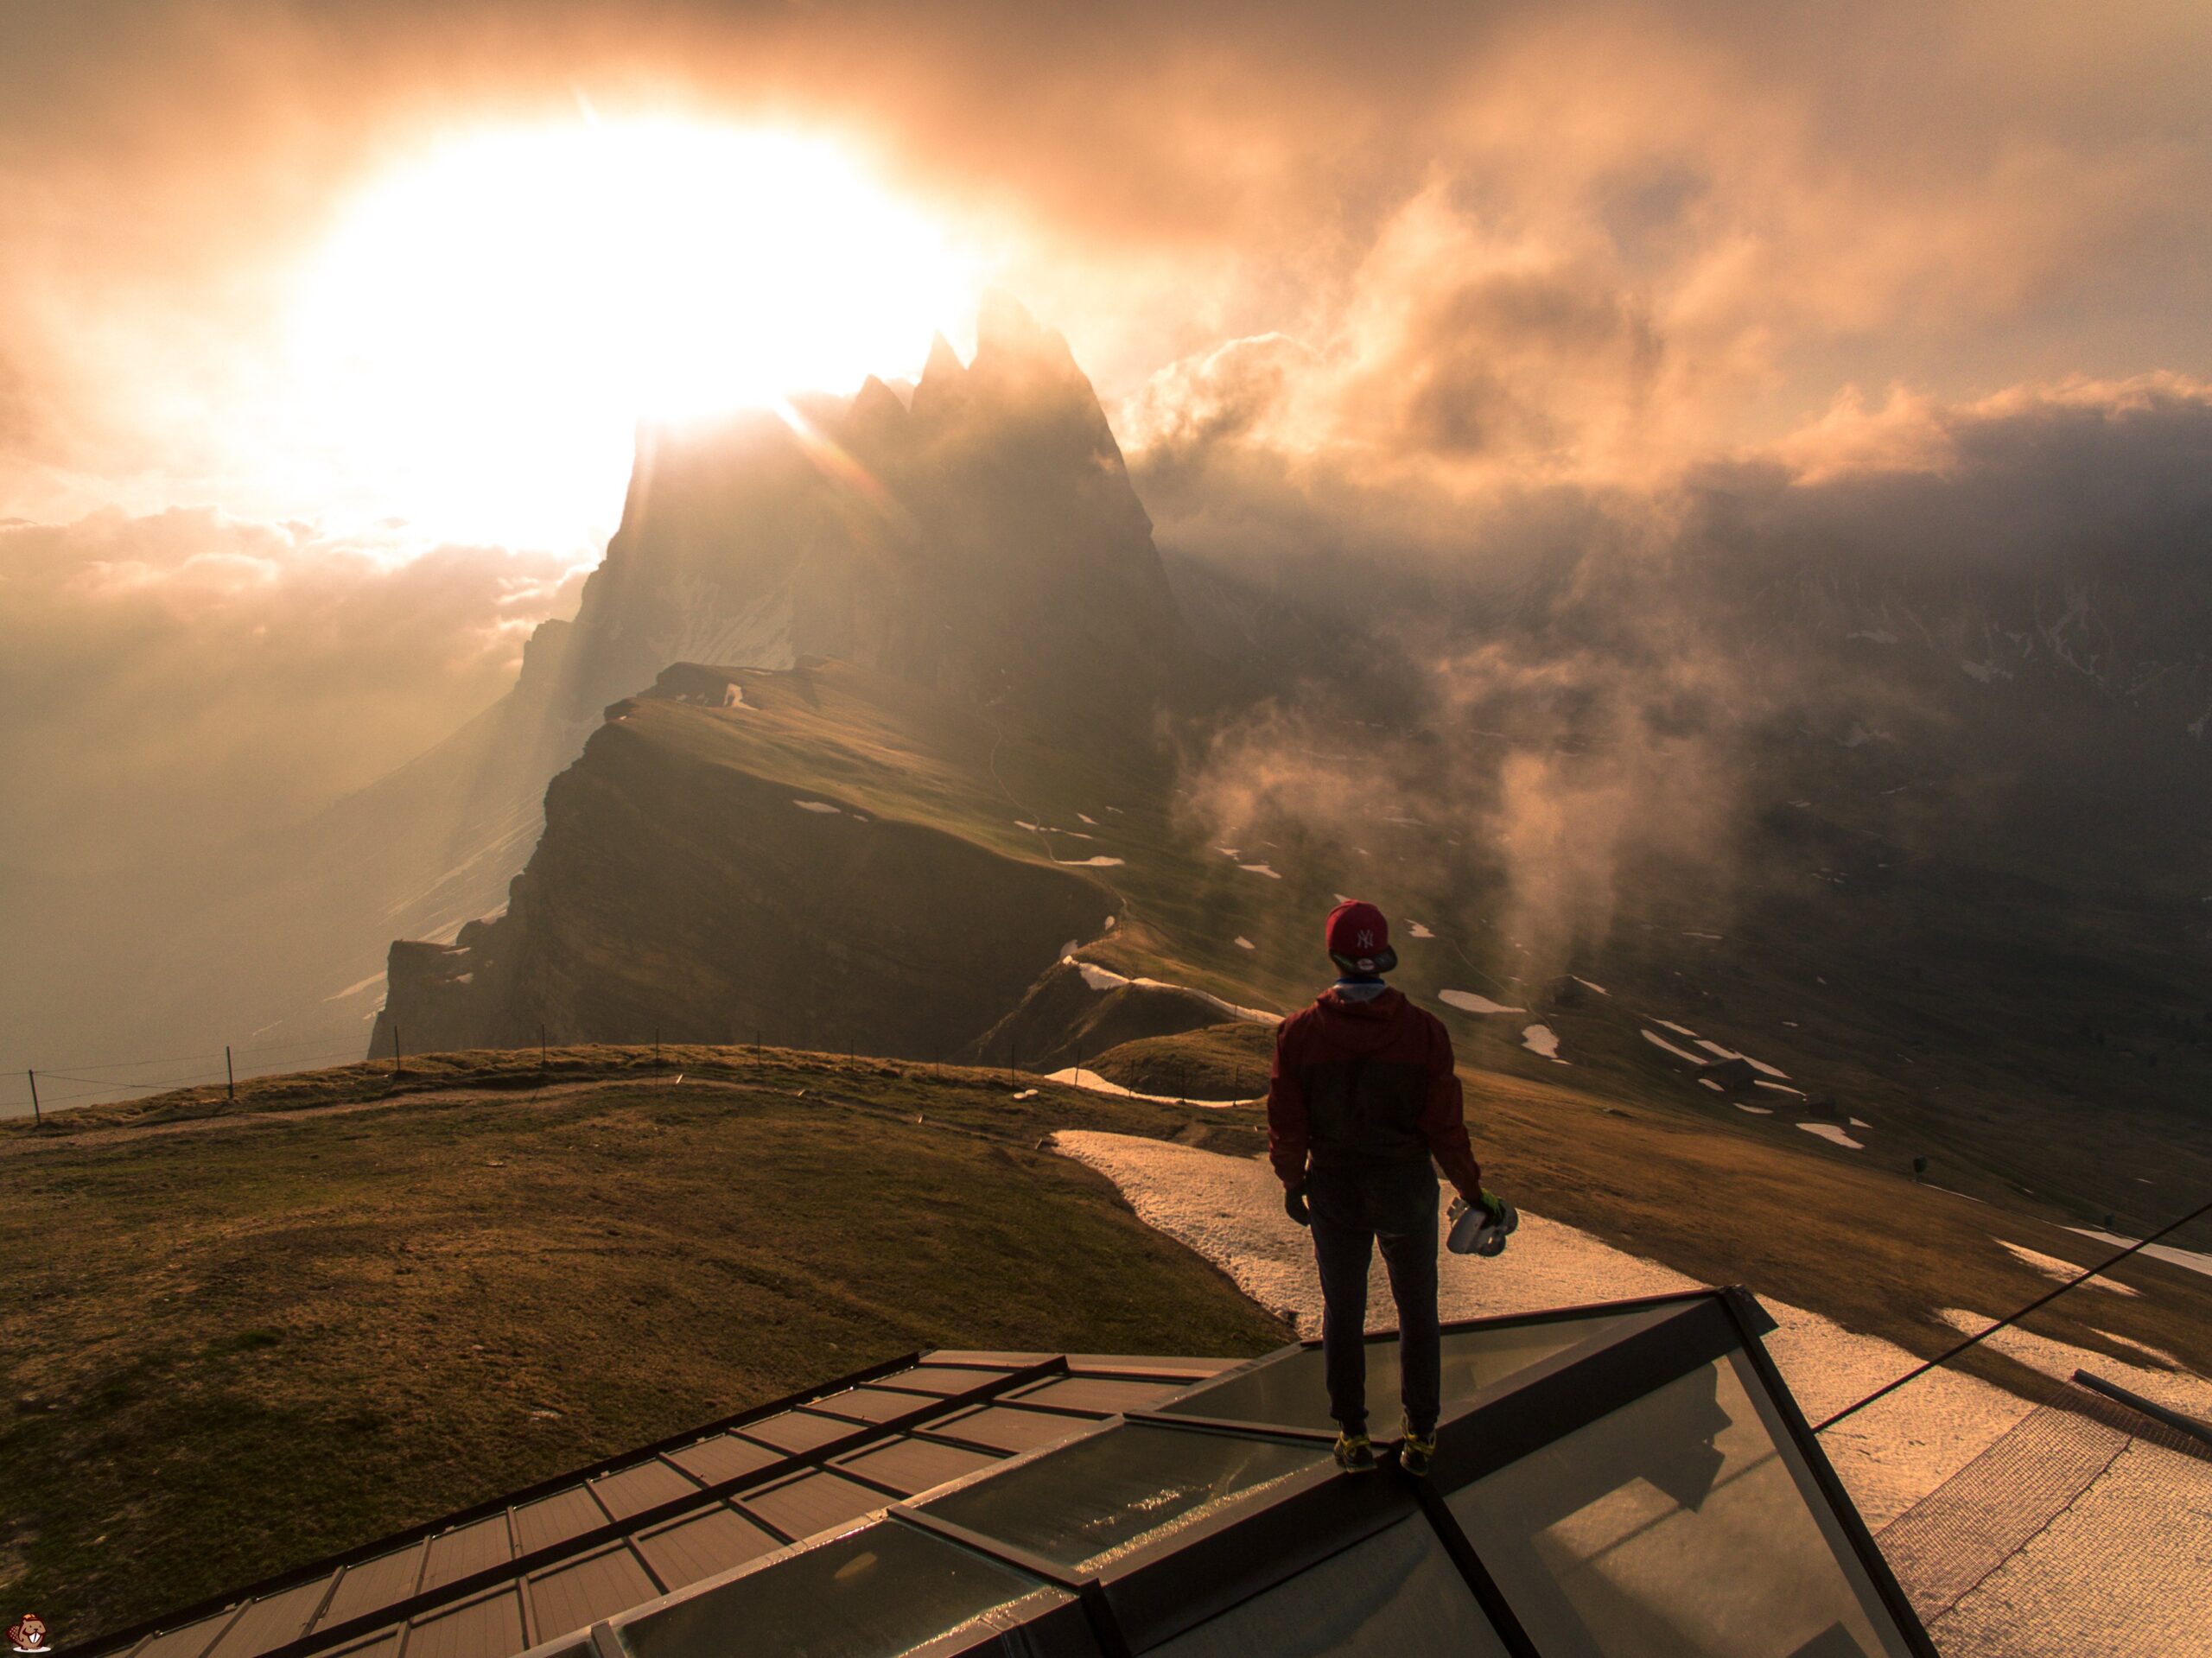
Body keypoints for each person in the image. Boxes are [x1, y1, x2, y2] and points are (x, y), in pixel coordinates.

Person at [1268, 899, 1504, 1477]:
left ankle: (1351, 1434)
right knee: (1417, 1307)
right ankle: (1420, 1434)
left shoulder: (1299, 1033)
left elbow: (1286, 1120)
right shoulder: (1424, 1031)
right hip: (1406, 1189)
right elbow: (1445, 1127)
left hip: (1336, 1188)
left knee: (1342, 1308)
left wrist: (1293, 1181)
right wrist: (1474, 1194)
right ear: (1384, 954)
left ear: (1335, 953)